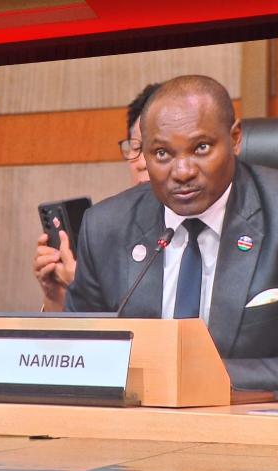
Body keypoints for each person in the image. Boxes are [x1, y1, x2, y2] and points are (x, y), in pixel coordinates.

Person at [63, 75, 278, 401]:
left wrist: (213, 376)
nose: (182, 171)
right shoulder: (105, 227)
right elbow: (78, 358)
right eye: (162, 154)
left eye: (201, 148)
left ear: (234, 138)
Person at [33, 83, 161, 311]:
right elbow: (70, 342)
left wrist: (83, 289)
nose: (141, 163)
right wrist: (57, 296)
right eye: (135, 147)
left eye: (156, 149)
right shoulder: (104, 230)